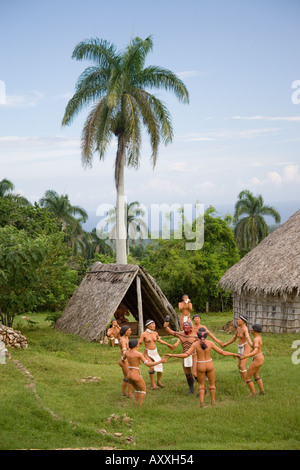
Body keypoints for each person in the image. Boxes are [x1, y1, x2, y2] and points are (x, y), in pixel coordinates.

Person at [166, 328, 239, 407]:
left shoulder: (195, 344)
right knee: (212, 385)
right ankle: (213, 403)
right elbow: (222, 352)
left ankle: (201, 403)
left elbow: (186, 354)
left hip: (200, 365)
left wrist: (172, 355)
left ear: (198, 335)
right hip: (209, 364)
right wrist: (233, 354)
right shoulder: (210, 343)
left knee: (201, 385)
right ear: (206, 336)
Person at [125, 339, 167, 406]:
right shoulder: (138, 354)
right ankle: (140, 407)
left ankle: (136, 405)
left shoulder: (126, 353)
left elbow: (123, 359)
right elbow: (148, 364)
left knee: (137, 389)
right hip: (135, 374)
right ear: (136, 345)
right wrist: (160, 361)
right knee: (143, 390)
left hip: (129, 374)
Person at [137, 319, 174, 389]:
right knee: (152, 367)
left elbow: (159, 340)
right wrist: (134, 351)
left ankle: (158, 382)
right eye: (152, 324)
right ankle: (152, 384)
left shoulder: (155, 333)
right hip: (147, 353)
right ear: (148, 326)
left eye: (154, 324)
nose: (154, 325)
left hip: (155, 352)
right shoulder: (144, 334)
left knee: (160, 366)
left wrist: (168, 345)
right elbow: (139, 343)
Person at [164, 319, 198, 395]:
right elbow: (169, 330)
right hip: (184, 355)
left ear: (191, 327)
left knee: (195, 374)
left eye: (187, 325)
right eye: (184, 325)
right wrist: (166, 323)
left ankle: (202, 388)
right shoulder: (181, 335)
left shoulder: (195, 336)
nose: (185, 327)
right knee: (187, 373)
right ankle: (191, 389)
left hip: (193, 355)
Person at [222, 315, 253, 383]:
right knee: (239, 366)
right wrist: (226, 344)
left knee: (242, 366)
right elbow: (234, 338)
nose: (237, 321)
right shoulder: (238, 328)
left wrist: (252, 345)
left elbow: (248, 337)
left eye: (239, 320)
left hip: (245, 347)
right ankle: (244, 380)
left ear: (243, 321)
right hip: (240, 347)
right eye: (238, 319)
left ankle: (247, 381)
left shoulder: (245, 329)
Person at [241, 324, 265, 397]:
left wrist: (246, 356)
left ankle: (253, 394)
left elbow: (255, 350)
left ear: (254, 330)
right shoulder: (257, 338)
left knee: (247, 377)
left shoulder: (256, 339)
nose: (250, 329)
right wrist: (248, 339)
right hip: (260, 358)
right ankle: (262, 391)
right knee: (256, 375)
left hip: (257, 359)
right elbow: (253, 346)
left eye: (251, 328)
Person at [118, 325, 134, 398]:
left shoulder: (126, 337)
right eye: (129, 330)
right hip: (124, 360)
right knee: (130, 377)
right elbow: (124, 350)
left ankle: (123, 392)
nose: (130, 331)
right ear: (125, 332)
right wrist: (125, 357)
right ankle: (129, 394)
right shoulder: (123, 340)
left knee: (126, 377)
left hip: (124, 360)